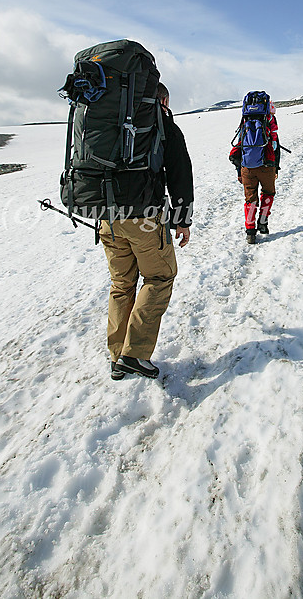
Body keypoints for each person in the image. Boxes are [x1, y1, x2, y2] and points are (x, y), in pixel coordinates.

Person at [100, 82, 193, 381]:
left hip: (106, 217)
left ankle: (117, 357)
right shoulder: (163, 124)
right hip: (145, 218)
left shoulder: (110, 121)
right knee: (160, 276)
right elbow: (180, 173)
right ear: (163, 99)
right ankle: (134, 354)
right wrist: (183, 219)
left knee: (121, 284)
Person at [229, 99, 280, 245]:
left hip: (247, 167)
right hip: (267, 166)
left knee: (250, 199)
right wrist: (276, 167)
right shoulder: (270, 120)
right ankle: (263, 222)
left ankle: (250, 232)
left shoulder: (245, 121)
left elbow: (240, 146)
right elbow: (275, 146)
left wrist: (239, 171)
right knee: (268, 193)